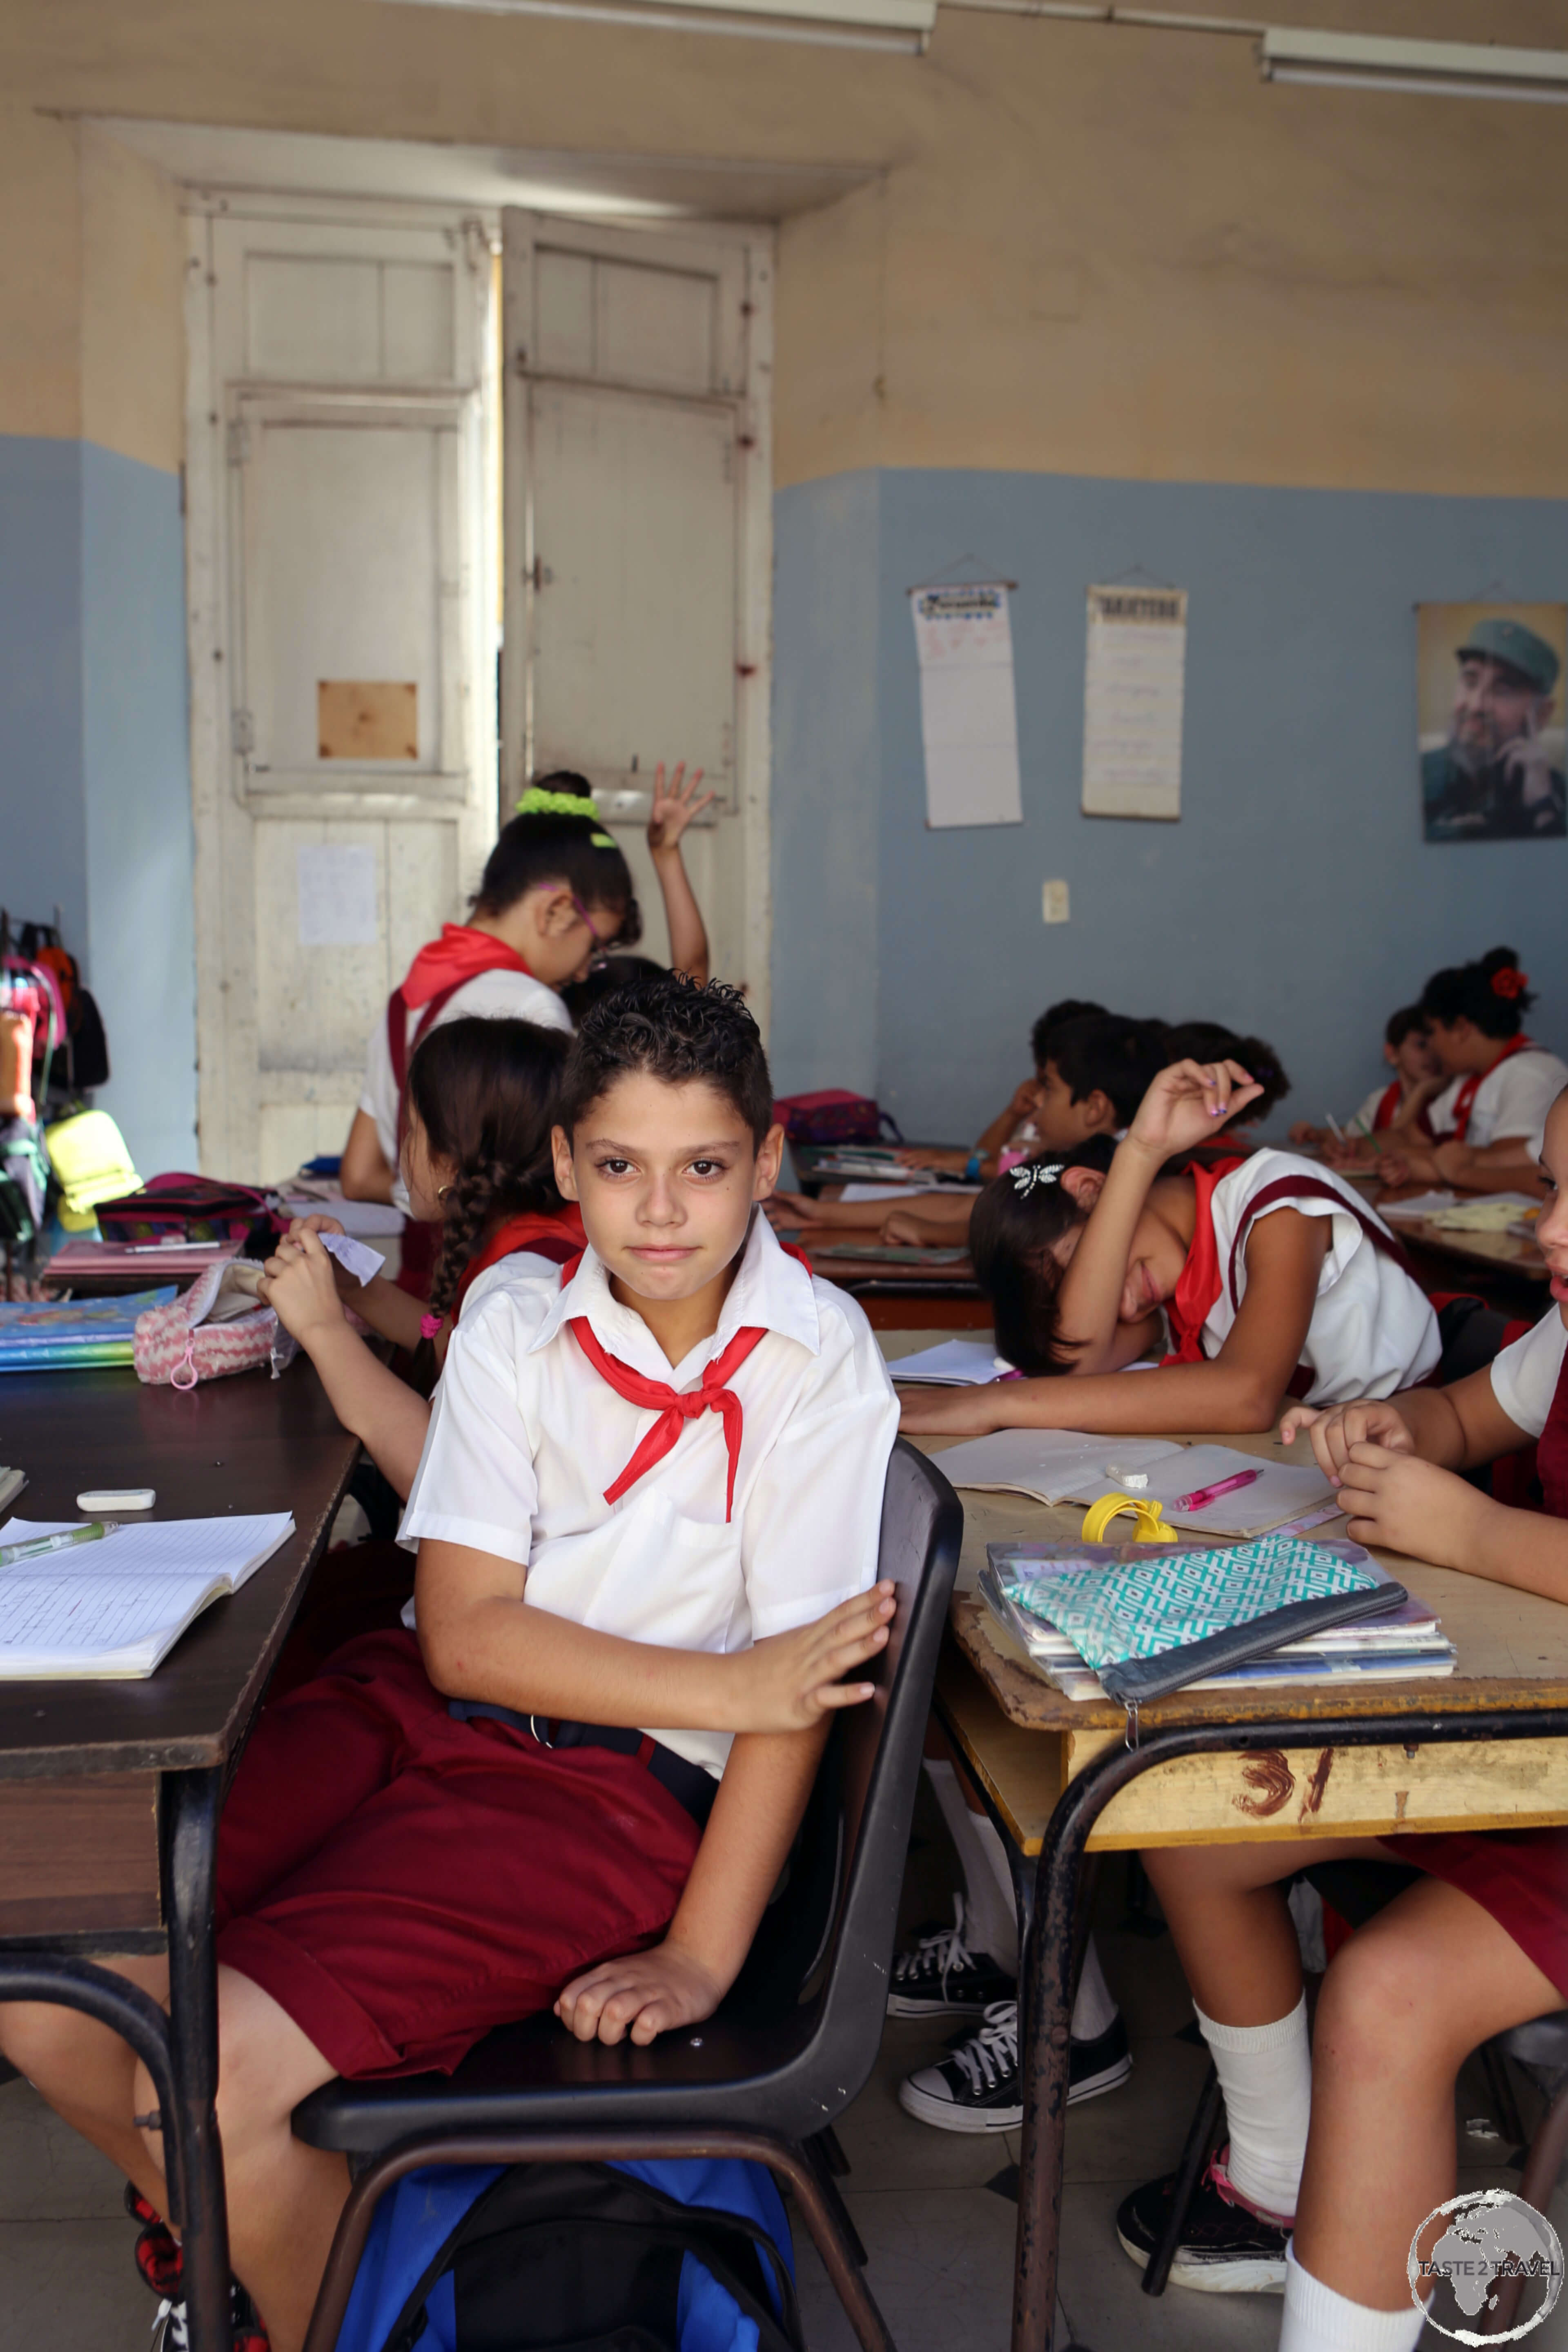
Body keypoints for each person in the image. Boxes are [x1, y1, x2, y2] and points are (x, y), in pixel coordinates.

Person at [0, 974, 900, 2352]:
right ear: (564, 1165)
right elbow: (472, 1634)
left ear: (767, 1163)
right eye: (619, 1167)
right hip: (413, 1709)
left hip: (603, 1804)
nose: (661, 1213)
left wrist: (705, 1957)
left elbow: (806, 1694)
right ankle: (246, 2248)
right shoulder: (514, 1322)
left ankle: (279, 2284)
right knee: (46, 1971)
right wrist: (737, 1681)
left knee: (203, 2076)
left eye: (705, 1167)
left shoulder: (816, 1361)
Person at [1113, 1082, 1568, 2339]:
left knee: (1386, 1991)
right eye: (1546, 1190)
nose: (1549, 1231)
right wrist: (1396, 1431)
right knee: (1192, 1825)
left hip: (1546, 1774)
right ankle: (1271, 2188)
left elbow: (1480, 1513)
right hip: (1521, 1750)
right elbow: (1466, 1411)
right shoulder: (1566, 1333)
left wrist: (1470, 1527)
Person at [898, 1056, 1439, 1439]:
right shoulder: (1166, 1280)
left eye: (1091, 1266)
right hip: (1321, 1460)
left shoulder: (1277, 1202)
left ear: (1091, 1190)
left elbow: (1246, 1394)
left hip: (1418, 1445)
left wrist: (992, 1405)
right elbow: (1077, 1358)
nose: (1127, 1308)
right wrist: (1138, 1161)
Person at [767, 1013, 1166, 1245]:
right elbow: (977, 1206)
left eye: (1050, 1087)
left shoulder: (1102, 1177)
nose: (1037, 1102)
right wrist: (824, 1213)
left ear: (1095, 1108)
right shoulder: (1074, 1160)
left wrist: (935, 1232)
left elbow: (1013, 1230)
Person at [1355, 948, 1568, 1197]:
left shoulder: (1530, 1073)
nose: (1432, 1046)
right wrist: (1354, 1148)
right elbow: (1408, 1138)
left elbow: (1508, 1165)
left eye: (1433, 1033)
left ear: (1461, 1029)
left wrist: (1434, 1161)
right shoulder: (1469, 1078)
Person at [893, 997, 1110, 1180]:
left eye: (1049, 1086)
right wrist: (1013, 1114)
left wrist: (970, 1165)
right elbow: (984, 1155)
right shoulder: (1045, 1108)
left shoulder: (1092, 1155)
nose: (1039, 1098)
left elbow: (1012, 1179)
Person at [1422, 615, 1567, 842]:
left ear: (1542, 714)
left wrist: (1542, 807)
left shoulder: (1558, 796)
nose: (1476, 705)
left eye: (1503, 690)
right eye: (1470, 682)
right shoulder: (1414, 778)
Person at [1289, 1007, 1442, 1154]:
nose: (1432, 1055)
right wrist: (1316, 1134)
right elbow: (1354, 1134)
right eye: (1421, 1045)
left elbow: (1400, 1140)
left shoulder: (1446, 1102)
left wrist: (1421, 1092)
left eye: (1436, 1045)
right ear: (1392, 1053)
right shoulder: (1381, 1100)